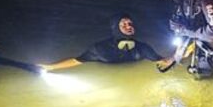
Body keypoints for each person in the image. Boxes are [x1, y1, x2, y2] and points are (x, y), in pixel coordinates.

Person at [41, 13, 173, 72]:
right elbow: (77, 61)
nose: (129, 26)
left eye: (130, 23)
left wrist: (185, 51)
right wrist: (50, 67)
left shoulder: (142, 48)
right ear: (116, 28)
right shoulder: (100, 49)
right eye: (123, 24)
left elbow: (163, 62)